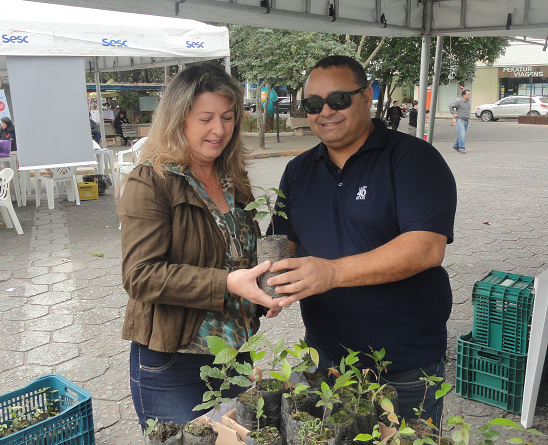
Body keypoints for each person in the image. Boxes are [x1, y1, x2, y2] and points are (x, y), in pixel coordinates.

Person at [267, 55, 457, 429]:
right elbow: (284, 240)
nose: (325, 112)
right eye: (312, 104)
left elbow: (426, 247)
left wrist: (332, 272)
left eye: (338, 100)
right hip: (326, 356)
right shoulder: (299, 170)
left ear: (367, 96)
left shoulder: (413, 159)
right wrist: (267, 280)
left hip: (403, 363)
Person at [117, 62, 280, 431]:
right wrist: (227, 284)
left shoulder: (230, 177)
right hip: (175, 358)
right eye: (205, 118)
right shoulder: (151, 182)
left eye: (227, 116)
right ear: (178, 118)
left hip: (233, 353)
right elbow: (140, 276)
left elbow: (240, 251)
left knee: (237, 437)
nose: (219, 129)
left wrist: (263, 288)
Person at [449, 89, 471, 154]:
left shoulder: (469, 102)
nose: (469, 96)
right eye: (468, 95)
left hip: (466, 120)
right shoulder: (459, 101)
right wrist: (454, 114)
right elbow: (450, 106)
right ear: (464, 95)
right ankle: (462, 148)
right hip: (460, 120)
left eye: (470, 94)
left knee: (462, 135)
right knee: (462, 135)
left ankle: (456, 145)